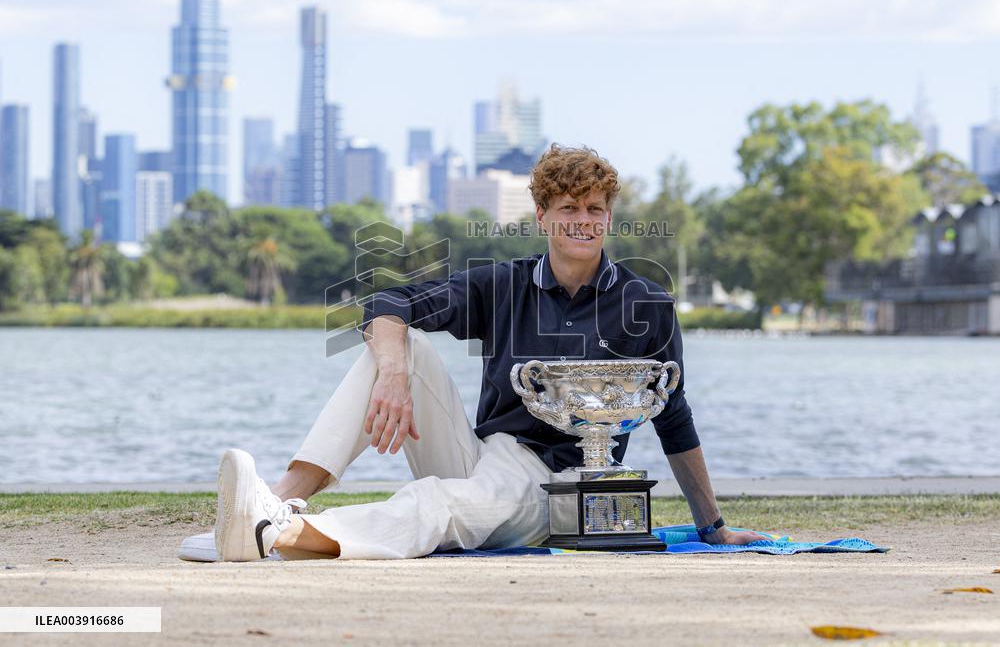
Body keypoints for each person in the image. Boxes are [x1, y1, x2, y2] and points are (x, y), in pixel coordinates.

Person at [193, 144, 766, 562]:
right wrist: (393, 373)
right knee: (397, 344)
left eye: (594, 209)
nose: (583, 221)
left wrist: (711, 525)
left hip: (556, 482)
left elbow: (674, 414)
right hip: (482, 453)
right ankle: (278, 502)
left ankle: (277, 536)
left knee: (439, 502)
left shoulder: (648, 304)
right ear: (541, 217)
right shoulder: (501, 284)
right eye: (569, 208)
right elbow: (388, 302)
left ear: (609, 217)